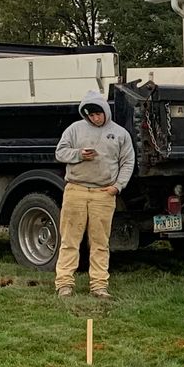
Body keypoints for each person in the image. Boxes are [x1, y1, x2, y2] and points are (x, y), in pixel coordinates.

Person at [53, 92, 134, 298]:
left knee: (100, 242)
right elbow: (60, 152)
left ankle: (99, 285)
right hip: (76, 190)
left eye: (98, 114)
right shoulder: (74, 129)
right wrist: (79, 154)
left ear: (105, 112)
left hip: (103, 193)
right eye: (91, 115)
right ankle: (64, 283)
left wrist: (117, 186)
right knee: (70, 239)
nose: (95, 118)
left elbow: (128, 162)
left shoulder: (120, 133)